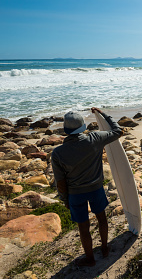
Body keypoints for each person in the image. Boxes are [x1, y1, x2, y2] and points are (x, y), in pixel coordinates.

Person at [51, 107, 122, 267]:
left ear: (65, 129)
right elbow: (118, 131)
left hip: (75, 195)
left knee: (83, 227)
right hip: (96, 189)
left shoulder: (58, 153)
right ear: (83, 126)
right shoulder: (95, 138)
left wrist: (65, 199)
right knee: (102, 219)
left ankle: (90, 259)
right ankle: (104, 248)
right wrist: (103, 114)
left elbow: (60, 182)